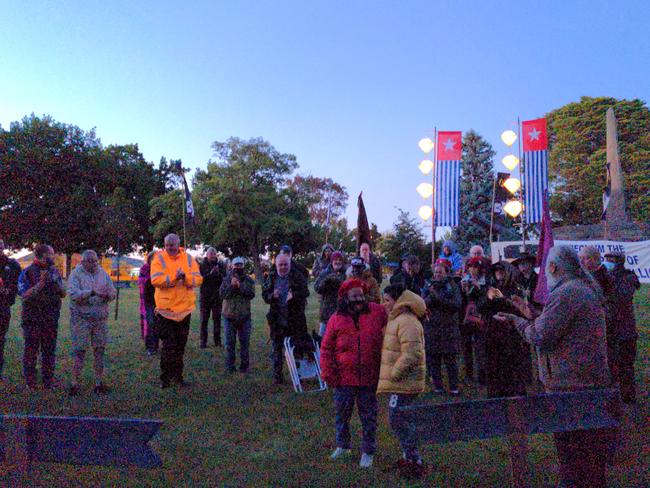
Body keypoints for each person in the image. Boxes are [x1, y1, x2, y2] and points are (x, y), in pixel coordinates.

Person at [496, 246, 612, 488]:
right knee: (589, 454)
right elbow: (558, 325)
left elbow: (540, 336)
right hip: (586, 380)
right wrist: (530, 313)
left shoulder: (567, 293)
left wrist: (517, 321)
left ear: (553, 267)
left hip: (572, 385)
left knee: (573, 453)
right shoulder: (582, 288)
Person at [320, 278, 387, 469]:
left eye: (360, 295)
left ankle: (368, 450)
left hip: (369, 376)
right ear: (345, 298)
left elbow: (396, 315)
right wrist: (328, 373)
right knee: (342, 414)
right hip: (344, 377)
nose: (358, 298)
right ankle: (343, 445)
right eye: (354, 295)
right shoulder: (336, 319)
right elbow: (326, 348)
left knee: (369, 416)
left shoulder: (377, 312)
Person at [378, 283, 427, 479]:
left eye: (387, 300)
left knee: (397, 419)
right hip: (402, 382)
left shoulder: (407, 321)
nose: (384, 304)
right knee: (399, 419)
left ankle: (414, 459)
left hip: (405, 383)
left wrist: (394, 374)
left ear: (398, 301)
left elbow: (412, 353)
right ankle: (409, 456)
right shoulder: (398, 319)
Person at [150, 234, 203, 388]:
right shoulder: (158, 259)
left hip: (184, 311)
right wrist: (175, 277)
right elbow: (156, 280)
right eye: (167, 245)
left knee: (180, 346)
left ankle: (178, 377)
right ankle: (165, 378)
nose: (170, 248)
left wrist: (185, 277)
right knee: (168, 346)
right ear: (164, 245)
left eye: (172, 245)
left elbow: (198, 279)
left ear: (178, 244)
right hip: (166, 311)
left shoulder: (188, 259)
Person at [67, 250, 116, 395]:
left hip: (100, 318)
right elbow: (73, 294)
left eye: (96, 261)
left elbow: (112, 291)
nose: (95, 264)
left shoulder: (103, 273)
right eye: (91, 262)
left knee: (100, 350)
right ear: (83, 262)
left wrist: (109, 295)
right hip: (81, 318)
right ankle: (75, 383)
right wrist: (91, 293)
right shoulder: (76, 274)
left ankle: (99, 383)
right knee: (79, 351)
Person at [17, 244, 66, 389]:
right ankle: (30, 382)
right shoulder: (27, 272)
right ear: (42, 256)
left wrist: (56, 283)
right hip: (32, 318)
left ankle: (48, 381)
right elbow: (24, 295)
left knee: (49, 350)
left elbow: (63, 293)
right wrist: (41, 283)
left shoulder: (54, 271)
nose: (53, 257)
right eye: (50, 255)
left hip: (50, 318)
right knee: (31, 350)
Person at [262, 252, 311, 384]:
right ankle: (277, 377)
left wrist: (294, 295)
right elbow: (264, 294)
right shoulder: (271, 277)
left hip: (295, 318)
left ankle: (299, 375)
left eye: (285, 264)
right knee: (277, 348)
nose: (283, 267)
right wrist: (272, 295)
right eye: (280, 265)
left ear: (290, 264)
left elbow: (306, 291)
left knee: (297, 348)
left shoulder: (296, 275)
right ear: (276, 265)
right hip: (277, 318)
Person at [481, 261, 528, 398]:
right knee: (495, 366)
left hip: (510, 334)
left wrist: (503, 300)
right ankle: (496, 395)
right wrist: (489, 299)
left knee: (512, 368)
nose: (499, 273)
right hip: (493, 334)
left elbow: (520, 309)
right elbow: (481, 307)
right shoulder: (490, 288)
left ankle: (515, 394)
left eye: (501, 271)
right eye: (496, 271)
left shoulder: (515, 288)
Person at [604, 250, 641, 404]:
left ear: (619, 261)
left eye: (610, 259)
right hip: (610, 329)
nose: (607, 262)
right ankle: (612, 397)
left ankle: (628, 397)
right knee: (610, 365)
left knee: (625, 365)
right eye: (606, 259)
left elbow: (621, 298)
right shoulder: (606, 277)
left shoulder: (628, 277)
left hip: (625, 331)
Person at [422, 262, 462, 395]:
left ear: (446, 272)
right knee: (434, 360)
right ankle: (438, 387)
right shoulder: (428, 286)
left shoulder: (452, 286)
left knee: (450, 360)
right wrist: (431, 297)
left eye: (440, 272)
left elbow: (457, 305)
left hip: (448, 328)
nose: (437, 274)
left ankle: (454, 388)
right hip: (432, 328)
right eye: (436, 272)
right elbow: (422, 303)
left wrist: (438, 298)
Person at [578, 246, 616, 378]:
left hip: (604, 327)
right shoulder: (588, 277)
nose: (582, 262)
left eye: (586, 258)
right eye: (580, 258)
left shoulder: (604, 277)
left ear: (596, 260)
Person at [219, 257, 256, 374]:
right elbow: (222, 294)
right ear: (232, 266)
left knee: (245, 343)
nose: (238, 267)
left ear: (243, 266)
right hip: (229, 316)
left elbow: (251, 294)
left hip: (244, 316)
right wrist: (231, 286)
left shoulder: (248, 280)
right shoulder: (226, 279)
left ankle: (244, 367)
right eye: (236, 265)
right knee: (229, 344)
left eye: (240, 265)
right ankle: (230, 367)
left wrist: (240, 286)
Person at [460, 256, 488, 384]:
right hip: (466, 319)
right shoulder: (464, 281)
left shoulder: (485, 282)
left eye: (475, 267)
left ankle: (482, 375)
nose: (472, 270)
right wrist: (463, 290)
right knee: (466, 348)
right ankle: (469, 375)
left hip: (480, 318)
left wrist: (479, 289)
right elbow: (461, 301)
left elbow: (488, 300)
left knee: (480, 347)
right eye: (470, 267)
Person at [0, 239, 21, 380]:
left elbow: (18, 284)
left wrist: (8, 292)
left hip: (2, 307)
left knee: (0, 340)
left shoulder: (11, 265)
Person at [314, 251, 347, 337]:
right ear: (331, 261)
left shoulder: (346, 274)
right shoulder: (325, 273)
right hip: (326, 311)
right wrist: (326, 282)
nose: (338, 262)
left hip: (342, 311)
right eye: (335, 260)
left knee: (340, 337)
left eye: (340, 260)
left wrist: (339, 282)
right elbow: (317, 287)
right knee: (323, 337)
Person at [199, 247, 225, 348]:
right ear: (207, 255)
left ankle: (217, 342)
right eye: (211, 254)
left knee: (217, 320)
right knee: (204, 321)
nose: (213, 256)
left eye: (215, 254)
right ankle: (203, 342)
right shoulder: (202, 265)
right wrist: (210, 274)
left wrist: (218, 273)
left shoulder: (220, 265)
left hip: (217, 297)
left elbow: (224, 279)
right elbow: (200, 280)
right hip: (205, 297)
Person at [138, 251, 159, 356]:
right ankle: (150, 347)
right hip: (148, 301)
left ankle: (156, 345)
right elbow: (142, 282)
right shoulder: (145, 269)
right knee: (150, 323)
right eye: (153, 259)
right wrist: (153, 279)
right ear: (149, 259)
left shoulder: (161, 270)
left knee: (158, 324)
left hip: (159, 301)